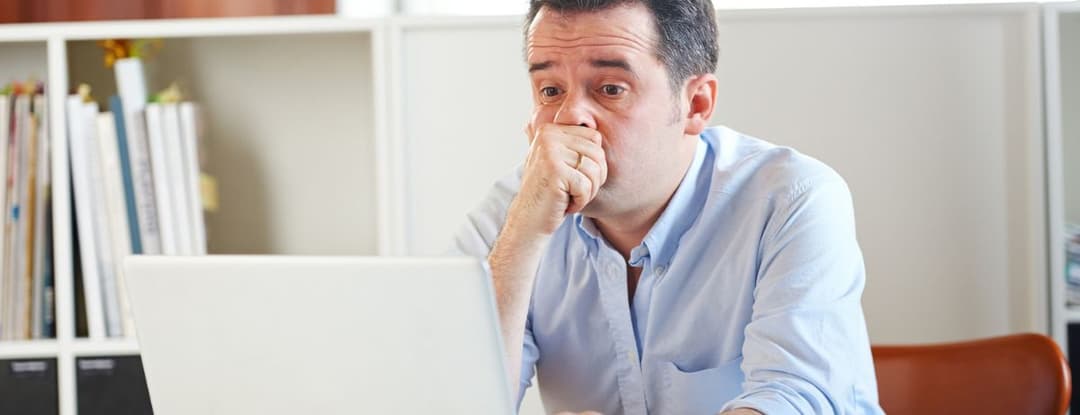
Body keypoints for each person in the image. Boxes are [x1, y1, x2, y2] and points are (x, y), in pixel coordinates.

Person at [453, 1, 885, 413]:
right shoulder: (511, 217)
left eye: (610, 89)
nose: (570, 119)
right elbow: (444, 398)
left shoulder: (791, 199)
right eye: (550, 90)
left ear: (696, 104)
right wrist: (525, 235)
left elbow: (795, 398)